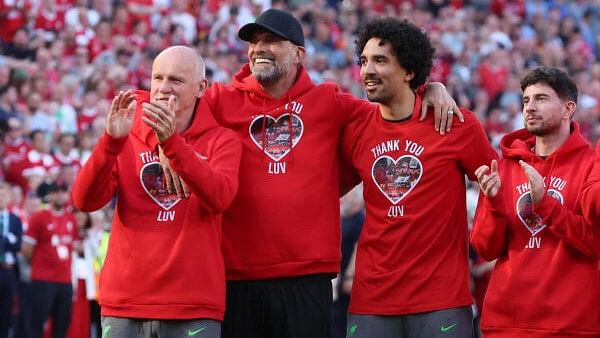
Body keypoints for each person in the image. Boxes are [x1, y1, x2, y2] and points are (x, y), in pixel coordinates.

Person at [157, 8, 458, 338]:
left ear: (299, 53)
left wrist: (429, 88)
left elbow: (390, 110)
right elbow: (153, 101)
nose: (258, 48)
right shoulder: (218, 100)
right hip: (234, 275)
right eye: (254, 42)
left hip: (307, 278)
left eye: (271, 41)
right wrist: (163, 143)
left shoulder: (328, 101)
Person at [340, 17, 497, 337]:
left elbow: (498, 187)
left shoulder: (454, 122)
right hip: (372, 301)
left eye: (380, 61)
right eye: (364, 61)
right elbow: (324, 188)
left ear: (409, 70)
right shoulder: (356, 128)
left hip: (440, 299)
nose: (367, 70)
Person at [71, 46, 242, 338]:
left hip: (191, 304)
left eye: (175, 80)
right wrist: (111, 142)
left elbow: (219, 197)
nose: (163, 89)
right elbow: (84, 200)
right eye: (157, 78)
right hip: (124, 302)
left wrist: (172, 145)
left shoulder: (222, 141)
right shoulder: (127, 134)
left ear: (201, 87)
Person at [471, 66, 600, 337]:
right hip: (506, 323)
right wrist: (493, 203)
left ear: (568, 109)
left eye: (541, 99)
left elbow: (594, 242)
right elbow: (486, 247)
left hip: (571, 325)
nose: (529, 107)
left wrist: (546, 205)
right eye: (526, 100)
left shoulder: (592, 164)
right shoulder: (504, 166)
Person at [21, 181, 78, 338]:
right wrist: (40, 265)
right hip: (42, 280)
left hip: (65, 281)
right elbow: (26, 250)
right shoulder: (39, 217)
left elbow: (71, 246)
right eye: (57, 192)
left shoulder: (71, 219)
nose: (61, 195)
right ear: (50, 195)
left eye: (64, 191)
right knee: (36, 325)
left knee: (61, 327)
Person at [0, 182, 22, 338]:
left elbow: (18, 244)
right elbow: (11, 242)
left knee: (6, 312)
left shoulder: (15, 219)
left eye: (4, 195)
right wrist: (8, 239)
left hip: (9, 272)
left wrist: (3, 240)